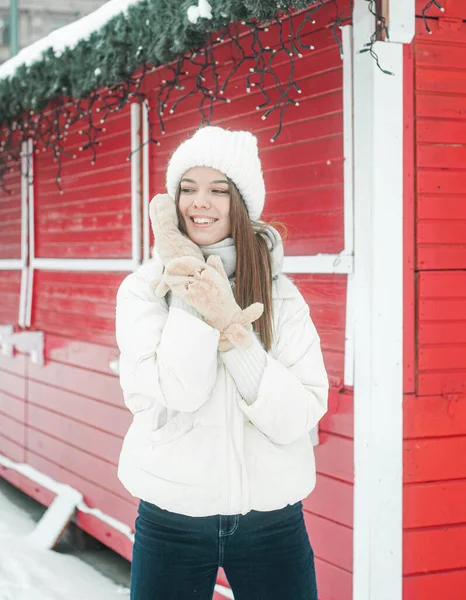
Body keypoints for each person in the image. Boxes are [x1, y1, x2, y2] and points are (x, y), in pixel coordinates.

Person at [115, 126, 329, 600]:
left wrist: (236, 336)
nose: (200, 203)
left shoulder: (281, 296)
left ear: (241, 202)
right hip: (172, 518)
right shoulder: (143, 291)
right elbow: (179, 392)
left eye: (218, 190)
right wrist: (191, 286)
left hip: (272, 523)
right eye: (187, 189)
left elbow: (299, 415)